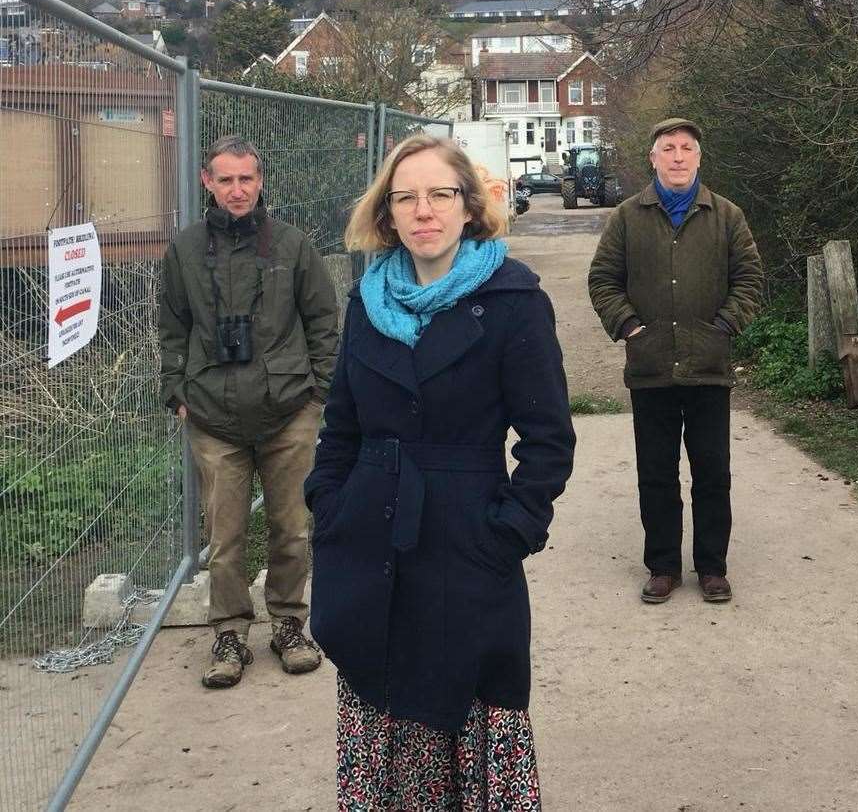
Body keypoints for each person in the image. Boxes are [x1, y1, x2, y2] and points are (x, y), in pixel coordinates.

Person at [304, 134, 575, 810]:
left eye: (439, 195)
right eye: (406, 198)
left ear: (468, 206)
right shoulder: (367, 301)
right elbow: (341, 424)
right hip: (369, 544)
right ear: (387, 214)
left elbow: (547, 439)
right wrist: (328, 506)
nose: (423, 211)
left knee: (471, 705)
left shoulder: (513, 299)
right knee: (382, 698)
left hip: (467, 547)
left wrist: (511, 529)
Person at [159, 134, 339, 688]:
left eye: (247, 179)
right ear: (207, 183)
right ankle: (229, 634)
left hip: (288, 410)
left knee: (291, 527)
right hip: (213, 414)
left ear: (260, 182)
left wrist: (318, 393)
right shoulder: (185, 250)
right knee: (226, 535)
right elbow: (171, 325)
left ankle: (288, 623)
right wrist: (177, 392)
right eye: (226, 179)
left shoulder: (292, 244)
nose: (238, 190)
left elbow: (323, 321)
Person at [588, 117, 763, 604]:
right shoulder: (627, 216)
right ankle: (663, 566)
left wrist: (724, 326)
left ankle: (712, 567)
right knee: (656, 474)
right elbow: (603, 278)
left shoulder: (727, 216)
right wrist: (627, 326)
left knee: (712, 472)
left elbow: (749, 279)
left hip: (709, 368)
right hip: (651, 369)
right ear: (654, 157)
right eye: (669, 148)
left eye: (687, 148)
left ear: (700, 157)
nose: (678, 156)